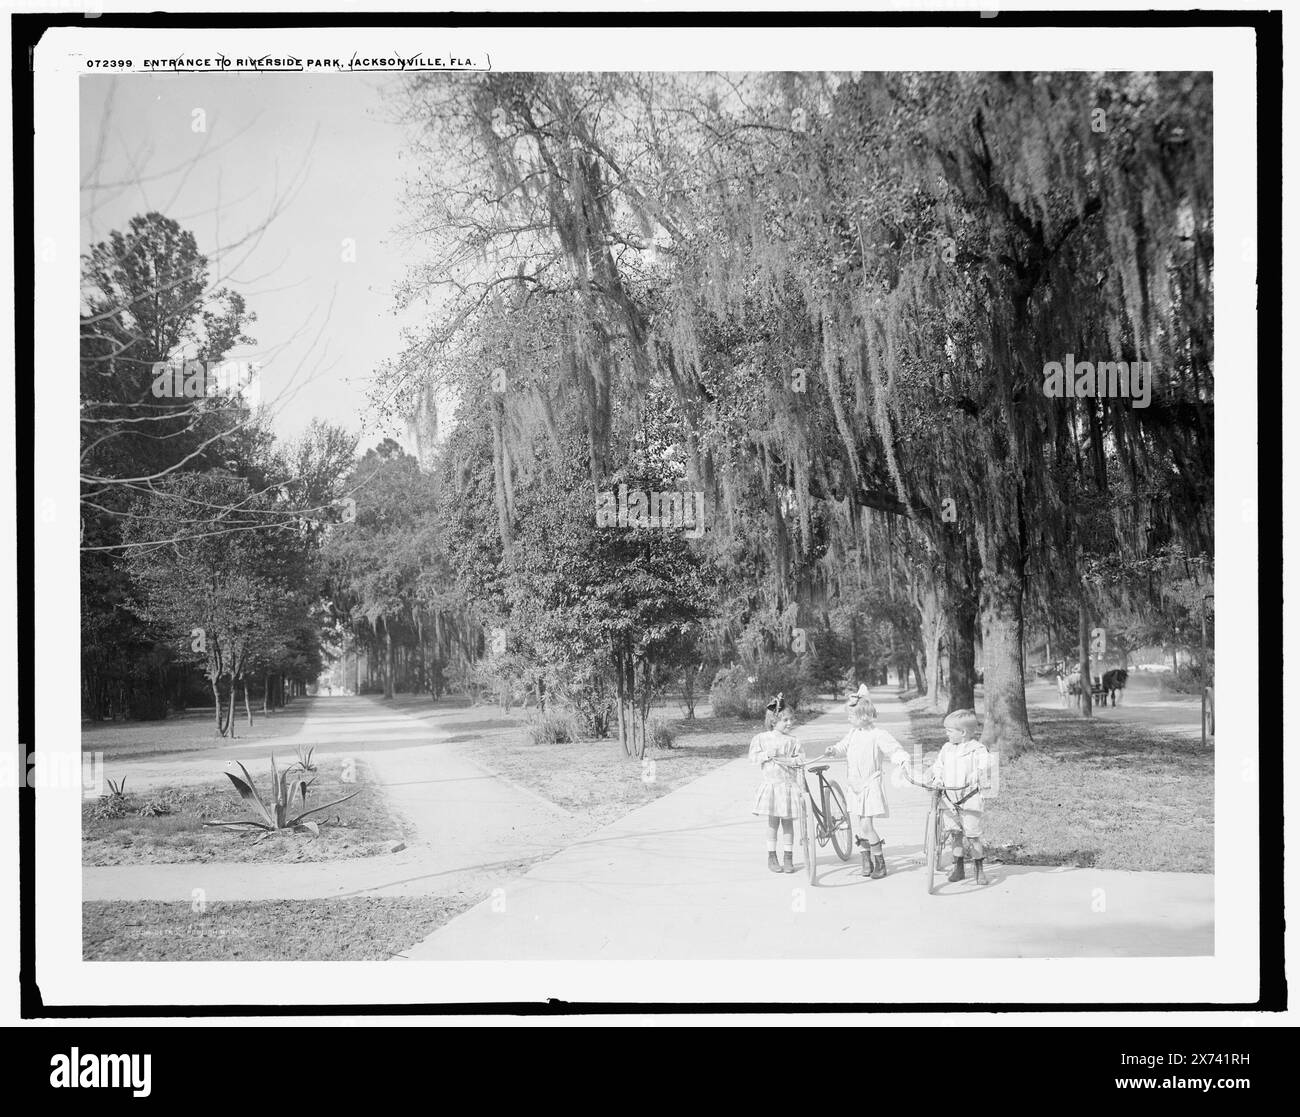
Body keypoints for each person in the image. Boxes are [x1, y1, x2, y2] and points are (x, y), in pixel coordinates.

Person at [819, 684, 911, 878]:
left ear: (864, 716)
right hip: (855, 785)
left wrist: (902, 760)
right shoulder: (853, 733)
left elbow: (893, 749)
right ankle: (866, 860)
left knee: (867, 825)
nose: (848, 719)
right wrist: (834, 750)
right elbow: (843, 746)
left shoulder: (878, 735)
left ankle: (880, 862)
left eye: (851, 716)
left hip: (870, 784)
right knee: (861, 824)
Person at [927, 707, 992, 885]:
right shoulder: (946, 748)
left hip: (969, 798)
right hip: (949, 799)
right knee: (955, 834)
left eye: (949, 730)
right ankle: (959, 867)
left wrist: (977, 773)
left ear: (962, 732)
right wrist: (938, 778)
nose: (946, 733)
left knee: (972, 835)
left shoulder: (977, 749)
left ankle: (979, 868)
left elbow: (986, 763)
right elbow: (939, 766)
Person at [748, 694, 805, 874]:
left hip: (788, 787)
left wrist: (792, 761)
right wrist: (767, 755)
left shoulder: (793, 741)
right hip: (772, 786)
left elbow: (801, 759)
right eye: (785, 720)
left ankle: (788, 857)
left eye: (791, 719)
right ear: (774, 721)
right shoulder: (762, 739)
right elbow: (753, 758)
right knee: (773, 823)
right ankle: (772, 857)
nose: (789, 723)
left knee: (788, 824)